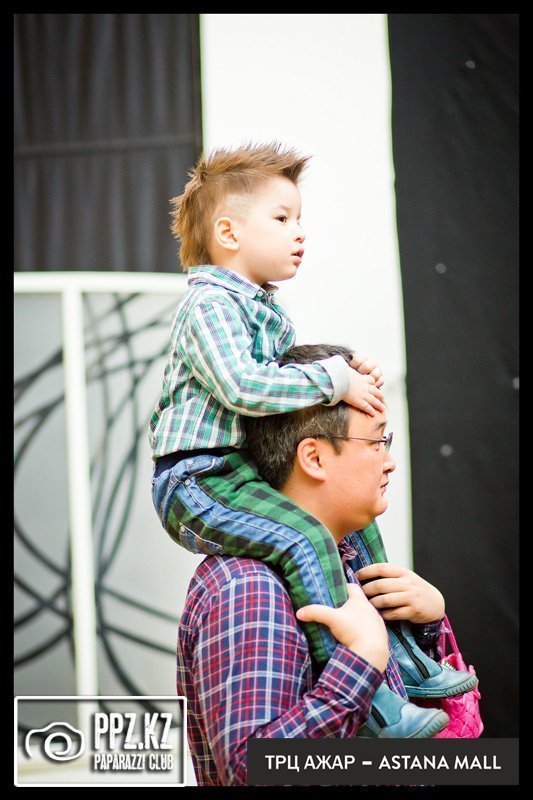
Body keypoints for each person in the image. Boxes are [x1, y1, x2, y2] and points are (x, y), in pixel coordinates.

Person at [149, 142, 472, 745]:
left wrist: (348, 370)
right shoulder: (209, 305)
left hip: (232, 467)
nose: (300, 232)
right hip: (197, 476)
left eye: (299, 218)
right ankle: (378, 699)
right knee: (303, 540)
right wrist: (334, 381)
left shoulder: (263, 311)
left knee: (357, 541)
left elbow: (285, 388)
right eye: (282, 218)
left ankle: (407, 659)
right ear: (227, 232)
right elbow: (246, 387)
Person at [176, 344, 477, 787]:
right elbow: (250, 769)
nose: (390, 461)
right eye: (377, 441)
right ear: (314, 458)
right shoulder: (249, 587)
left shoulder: (344, 559)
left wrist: (427, 627)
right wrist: (360, 662)